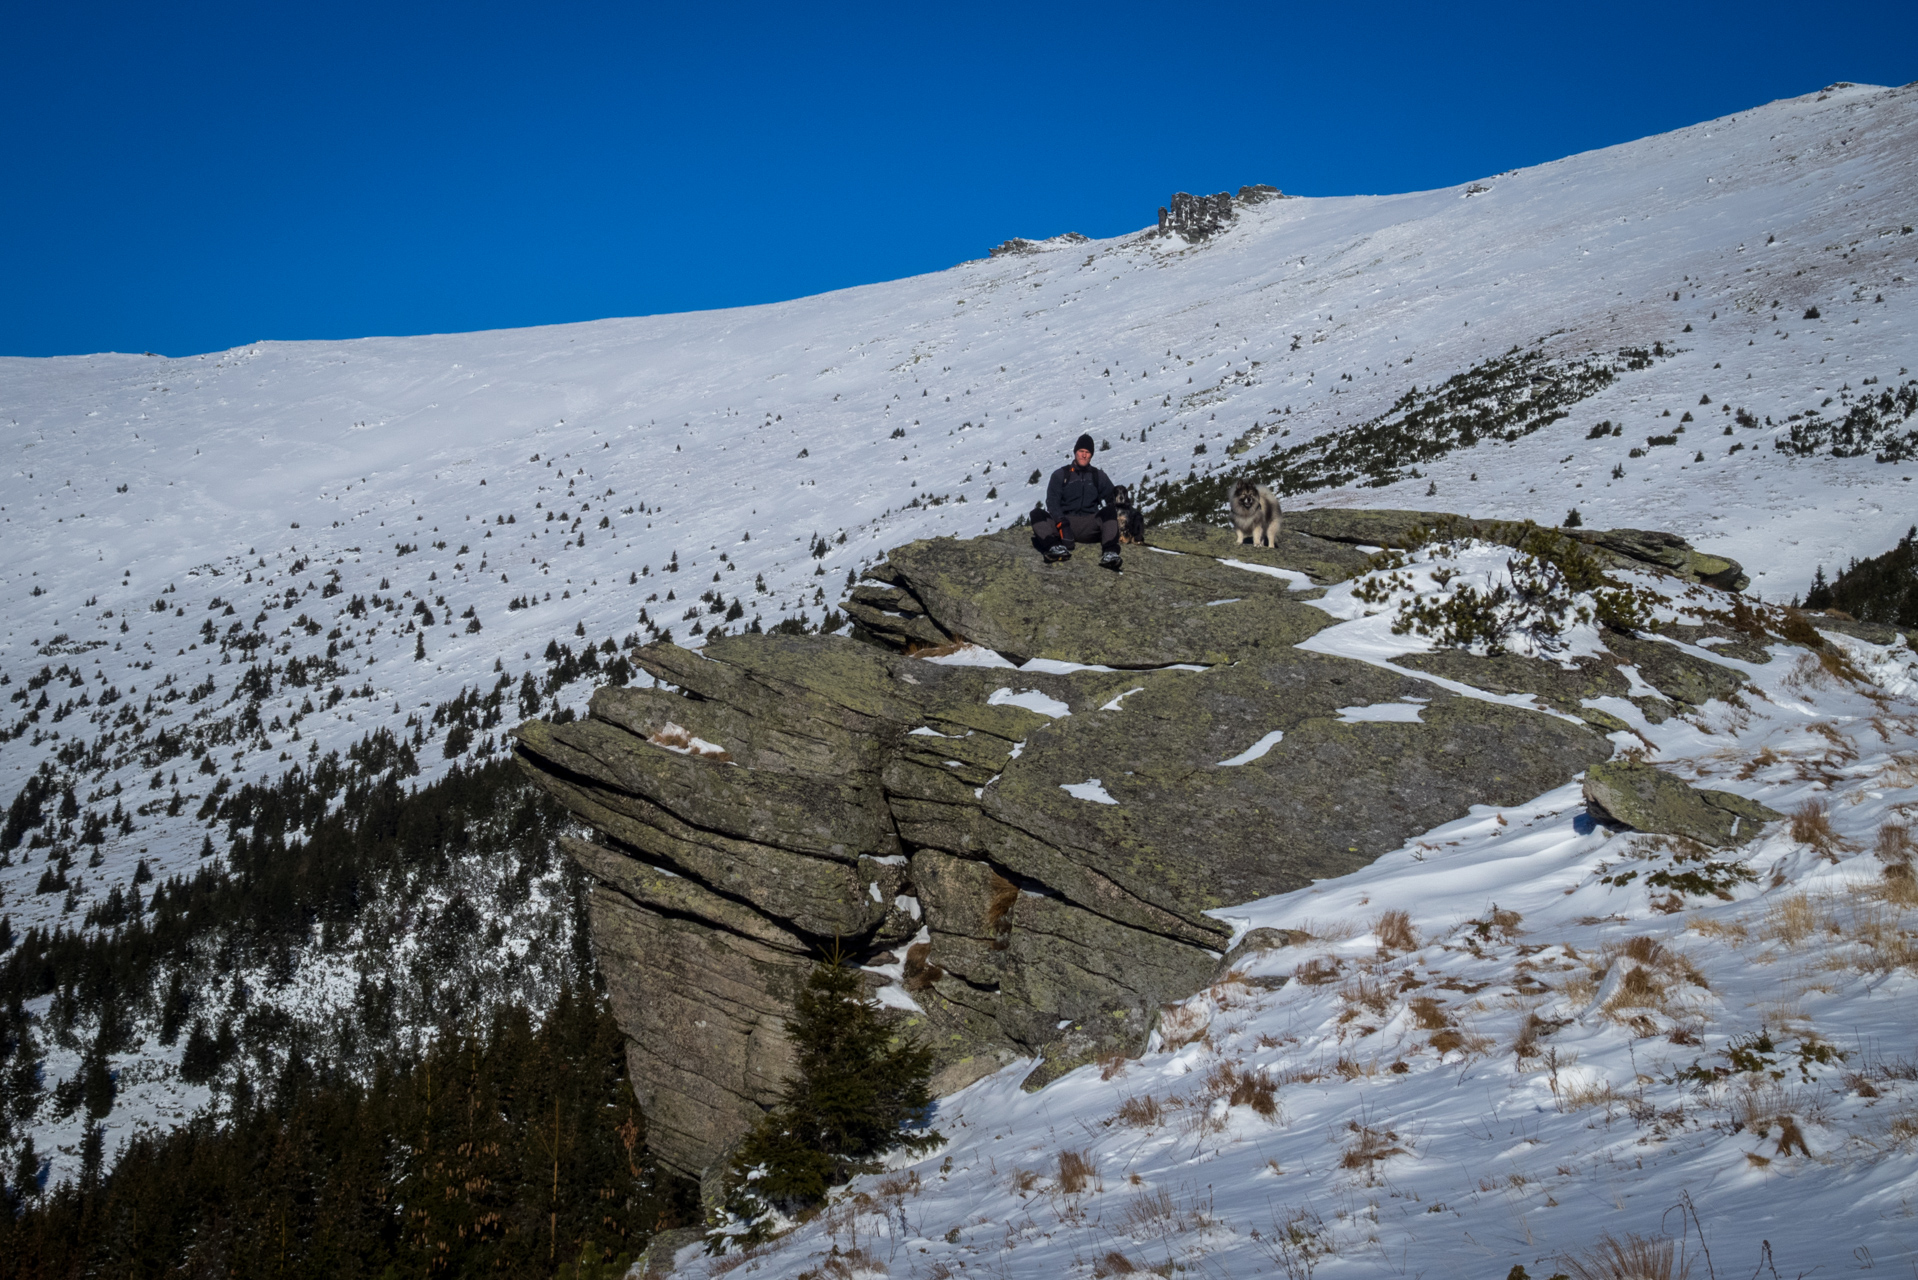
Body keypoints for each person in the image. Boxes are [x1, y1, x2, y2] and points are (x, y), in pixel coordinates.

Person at [1033, 434, 1122, 568]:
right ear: (1075, 452)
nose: (1084, 455)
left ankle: (1110, 552)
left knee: (1109, 511)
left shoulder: (1098, 476)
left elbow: (1113, 498)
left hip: (1090, 524)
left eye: (1087, 452)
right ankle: (1054, 547)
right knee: (1036, 514)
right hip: (1065, 523)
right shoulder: (1060, 475)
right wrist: (1061, 523)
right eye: (1081, 451)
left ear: (1091, 455)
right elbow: (1052, 502)